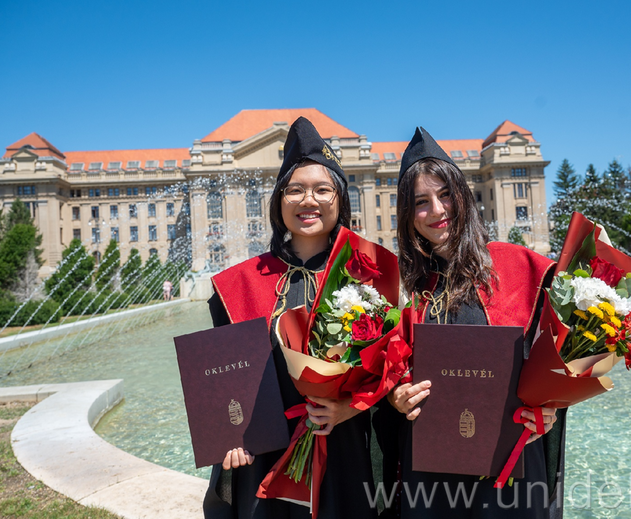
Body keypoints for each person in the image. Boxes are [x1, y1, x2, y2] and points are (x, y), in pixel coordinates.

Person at [381, 127, 566, 518]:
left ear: (463, 196)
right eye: (421, 202)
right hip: (431, 467)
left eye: (445, 194)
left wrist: (552, 408)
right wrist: (397, 396)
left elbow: (558, 362)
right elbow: (388, 373)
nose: (437, 210)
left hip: (510, 461)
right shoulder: (407, 288)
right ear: (408, 216)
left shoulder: (520, 266)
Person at [202, 117, 378, 519]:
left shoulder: (368, 276)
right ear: (279, 202)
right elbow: (221, 380)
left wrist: (349, 409)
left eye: (322, 189)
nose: (307, 200)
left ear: (340, 200)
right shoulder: (240, 283)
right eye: (294, 190)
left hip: (343, 449)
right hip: (263, 456)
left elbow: (389, 374)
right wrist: (226, 433)